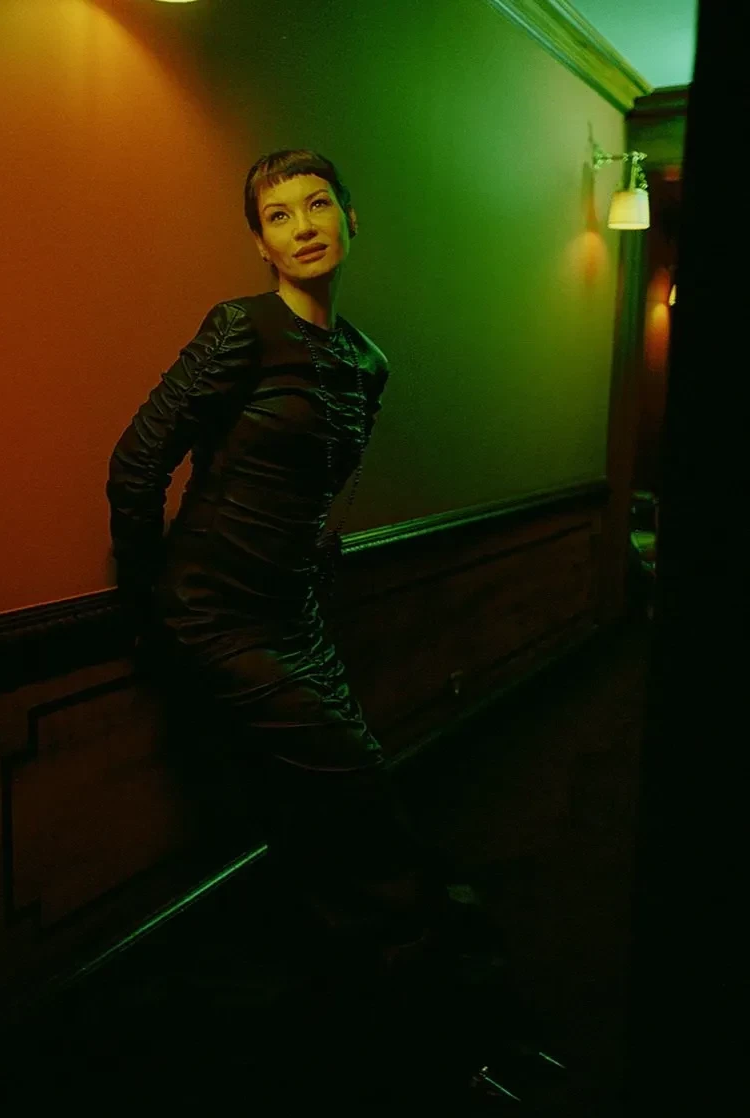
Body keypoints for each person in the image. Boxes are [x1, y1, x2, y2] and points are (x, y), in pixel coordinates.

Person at [106, 149, 487, 973]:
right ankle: (416, 955)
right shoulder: (240, 328)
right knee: (347, 772)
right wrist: (145, 603)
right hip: (212, 609)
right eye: (278, 216)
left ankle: (356, 947)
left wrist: (312, 559)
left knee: (330, 778)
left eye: (317, 205)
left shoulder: (366, 362)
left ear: (350, 218)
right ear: (261, 244)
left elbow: (312, 483)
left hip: (294, 609)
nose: (302, 227)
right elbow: (136, 463)